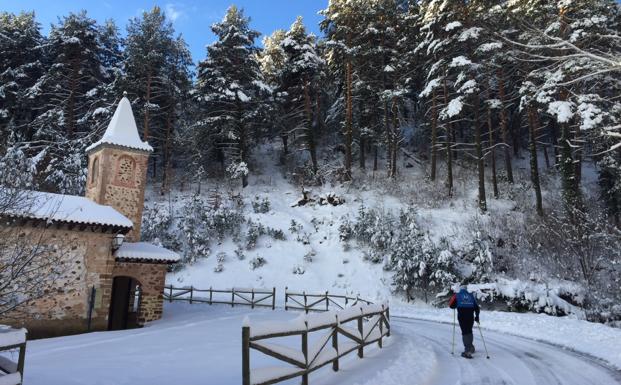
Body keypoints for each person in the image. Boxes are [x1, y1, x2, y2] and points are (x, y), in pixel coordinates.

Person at [449, 284, 480, 358]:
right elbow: (477, 308)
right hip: (470, 317)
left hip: (462, 317)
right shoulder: (471, 295)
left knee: (465, 333)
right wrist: (477, 317)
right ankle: (471, 347)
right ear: (466, 289)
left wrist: (457, 304)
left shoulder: (457, 295)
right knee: (469, 331)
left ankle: (467, 351)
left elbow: (451, 305)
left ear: (460, 289)